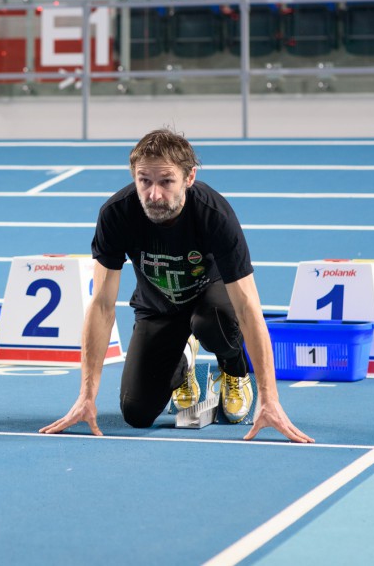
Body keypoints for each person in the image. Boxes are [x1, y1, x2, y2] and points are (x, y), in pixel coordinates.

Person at [40, 129, 313, 443]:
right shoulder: (116, 214)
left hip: (210, 301)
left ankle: (234, 371)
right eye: (144, 180)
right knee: (136, 414)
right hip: (157, 308)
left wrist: (270, 398)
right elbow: (102, 305)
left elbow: (248, 307)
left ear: (190, 177)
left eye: (166, 181)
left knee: (213, 323)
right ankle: (183, 361)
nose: (154, 195)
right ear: (134, 176)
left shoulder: (215, 215)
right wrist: (86, 396)